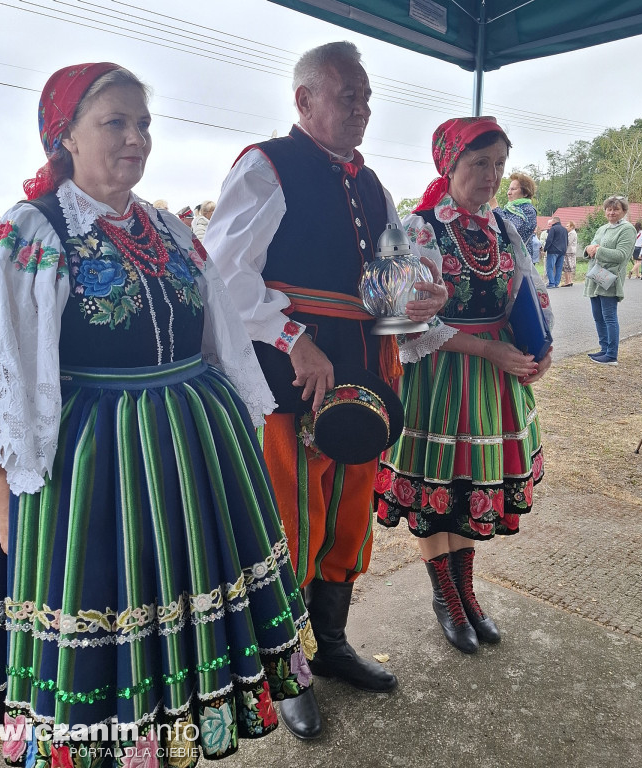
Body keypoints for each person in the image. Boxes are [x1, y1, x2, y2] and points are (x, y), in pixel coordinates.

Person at [0, 62, 314, 766]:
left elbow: (221, 336)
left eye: (143, 123)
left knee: (175, 611)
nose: (136, 138)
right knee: (105, 603)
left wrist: (238, 427)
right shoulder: (28, 233)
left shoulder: (169, 229)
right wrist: (4, 499)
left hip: (190, 452)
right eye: (114, 122)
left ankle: (171, 734)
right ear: (65, 136)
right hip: (94, 463)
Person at [206, 41, 447, 740]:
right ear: (304, 100)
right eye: (348, 96)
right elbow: (225, 274)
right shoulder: (266, 165)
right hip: (294, 371)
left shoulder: (370, 183)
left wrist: (414, 302)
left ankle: (332, 644)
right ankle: (287, 669)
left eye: (367, 97)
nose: (362, 109)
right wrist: (293, 340)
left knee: (346, 513)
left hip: (365, 365)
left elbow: (379, 285)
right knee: (291, 518)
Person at [376, 116, 553, 655]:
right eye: (480, 163)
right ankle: (445, 597)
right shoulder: (416, 229)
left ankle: (466, 593)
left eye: (499, 164)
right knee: (438, 487)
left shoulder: (503, 226)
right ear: (448, 164)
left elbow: (529, 289)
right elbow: (399, 322)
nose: (492, 175)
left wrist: (542, 347)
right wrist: (488, 349)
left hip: (494, 379)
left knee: (468, 488)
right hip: (441, 376)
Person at [584, 195, 636, 365]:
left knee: (609, 317)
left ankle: (612, 354)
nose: (611, 212)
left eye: (616, 209)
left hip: (610, 279)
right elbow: (591, 247)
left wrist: (597, 250)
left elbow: (622, 255)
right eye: (609, 209)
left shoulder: (627, 229)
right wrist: (588, 249)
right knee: (598, 316)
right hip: (595, 276)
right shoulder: (602, 228)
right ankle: (604, 349)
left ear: (623, 211)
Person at [494, 171, 537, 243]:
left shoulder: (528, 211)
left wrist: (495, 207)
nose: (508, 193)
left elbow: (511, 232)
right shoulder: (509, 208)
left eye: (513, 189)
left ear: (525, 193)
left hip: (516, 254)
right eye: (509, 189)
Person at [544, 215, 568, 288]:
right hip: (562, 251)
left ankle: (551, 283)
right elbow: (567, 241)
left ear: (554, 221)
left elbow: (549, 240)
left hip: (553, 250)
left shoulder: (553, 229)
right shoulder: (565, 230)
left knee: (550, 267)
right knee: (559, 268)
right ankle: (556, 283)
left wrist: (545, 248)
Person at [562, 220, 578, 286]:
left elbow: (568, 242)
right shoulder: (573, 233)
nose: (566, 227)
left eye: (567, 226)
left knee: (567, 267)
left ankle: (568, 281)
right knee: (569, 267)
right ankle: (570, 280)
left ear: (571, 227)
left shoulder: (572, 233)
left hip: (569, 251)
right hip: (571, 251)